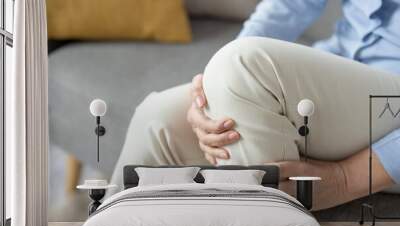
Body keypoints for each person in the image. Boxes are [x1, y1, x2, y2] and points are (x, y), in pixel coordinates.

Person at [110, 0, 400, 210]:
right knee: (158, 117)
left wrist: (345, 179)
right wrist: (214, 87)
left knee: (244, 65)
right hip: (346, 72)